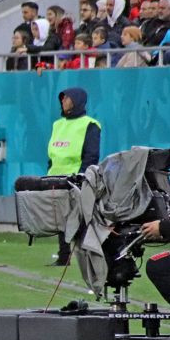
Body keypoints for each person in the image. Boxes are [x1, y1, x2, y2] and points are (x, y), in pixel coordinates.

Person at [46, 88, 101, 266]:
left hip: (77, 180)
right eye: (62, 98)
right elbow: (52, 154)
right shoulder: (57, 124)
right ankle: (64, 255)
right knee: (61, 220)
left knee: (80, 219)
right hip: (55, 179)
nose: (63, 101)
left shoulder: (90, 124)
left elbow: (91, 154)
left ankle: (86, 256)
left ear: (77, 101)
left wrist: (82, 177)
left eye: (67, 98)